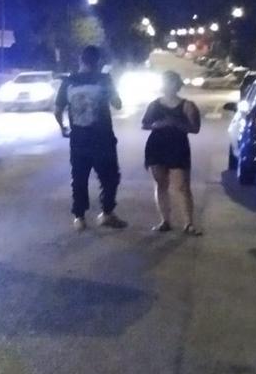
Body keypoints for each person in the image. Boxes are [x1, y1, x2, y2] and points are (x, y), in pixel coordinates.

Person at [55, 46, 128, 231]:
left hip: (79, 138)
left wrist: (63, 127)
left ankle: (79, 218)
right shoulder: (104, 80)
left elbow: (57, 110)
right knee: (110, 177)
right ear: (98, 61)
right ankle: (107, 213)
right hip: (103, 138)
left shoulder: (68, 81)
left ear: (81, 59)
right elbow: (118, 104)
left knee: (79, 177)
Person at [141, 71, 203, 235]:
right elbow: (145, 124)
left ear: (177, 85)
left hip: (178, 146)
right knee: (161, 184)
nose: (167, 86)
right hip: (157, 146)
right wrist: (159, 124)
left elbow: (195, 128)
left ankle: (189, 223)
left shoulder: (187, 105)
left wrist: (176, 124)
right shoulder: (154, 105)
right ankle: (165, 220)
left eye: (171, 82)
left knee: (182, 185)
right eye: (165, 83)